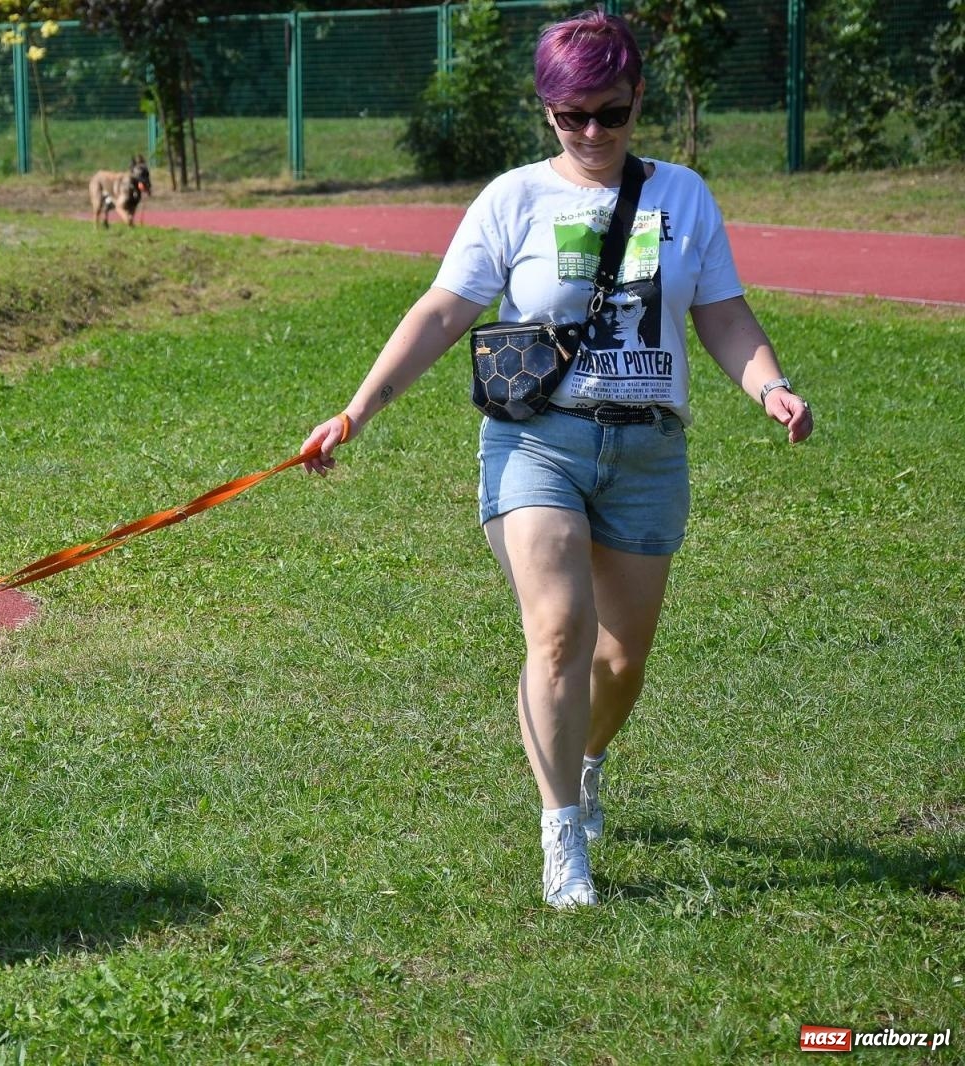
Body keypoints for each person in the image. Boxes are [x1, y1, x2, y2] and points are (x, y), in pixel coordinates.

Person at [300, 9, 813, 910]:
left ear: (637, 98)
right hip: (538, 440)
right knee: (561, 631)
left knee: (621, 664)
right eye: (569, 115)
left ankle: (584, 756)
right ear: (545, 110)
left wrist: (768, 385)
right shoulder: (512, 199)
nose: (590, 134)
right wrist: (358, 408)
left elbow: (724, 315)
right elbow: (442, 311)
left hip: (649, 450)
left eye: (609, 113)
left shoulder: (683, 196)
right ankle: (562, 834)